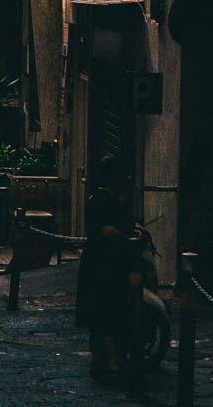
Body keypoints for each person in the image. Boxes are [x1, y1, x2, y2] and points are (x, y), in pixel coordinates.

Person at [76, 155, 136, 381]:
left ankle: (102, 360)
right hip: (105, 265)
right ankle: (108, 361)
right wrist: (126, 237)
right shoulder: (104, 199)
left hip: (100, 262)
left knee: (100, 313)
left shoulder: (100, 197)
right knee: (107, 311)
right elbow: (105, 230)